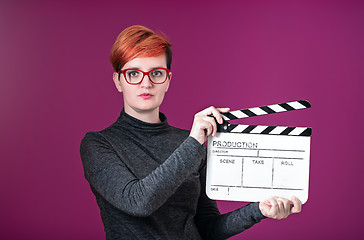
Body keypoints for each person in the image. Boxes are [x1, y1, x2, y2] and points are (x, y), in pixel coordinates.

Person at [80, 25, 302, 240]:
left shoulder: (191, 144)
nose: (146, 83)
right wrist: (194, 141)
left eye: (156, 73)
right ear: (118, 81)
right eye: (133, 73)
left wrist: (258, 210)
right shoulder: (99, 144)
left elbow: (209, 229)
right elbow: (139, 202)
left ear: (167, 80)